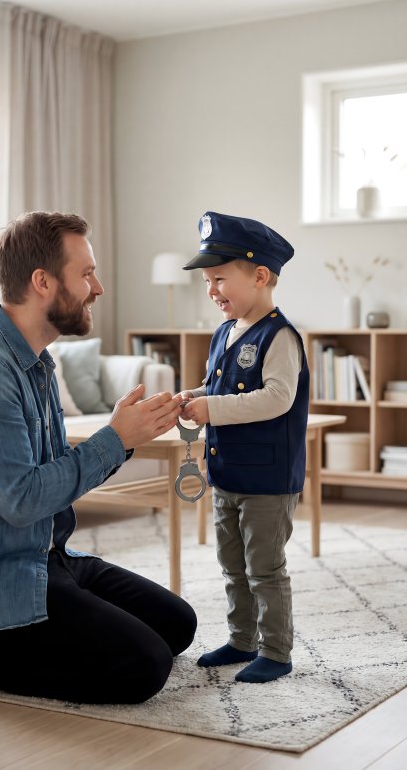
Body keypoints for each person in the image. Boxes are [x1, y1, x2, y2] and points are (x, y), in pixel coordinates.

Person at [0, 211, 197, 704]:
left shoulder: (37, 363)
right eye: (86, 273)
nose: (99, 287)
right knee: (143, 668)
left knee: (177, 625)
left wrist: (122, 436)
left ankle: (18, 644)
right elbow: (21, 499)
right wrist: (116, 438)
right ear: (42, 282)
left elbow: (54, 472)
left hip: (44, 557)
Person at [179, 210, 309, 683]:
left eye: (219, 280)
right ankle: (241, 639)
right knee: (232, 565)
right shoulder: (223, 332)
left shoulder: (280, 336)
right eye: (208, 282)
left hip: (267, 481)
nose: (212, 291)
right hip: (228, 475)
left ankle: (275, 651)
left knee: (264, 568)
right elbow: (220, 386)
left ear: (259, 276)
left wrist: (211, 409)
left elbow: (277, 398)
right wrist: (192, 397)